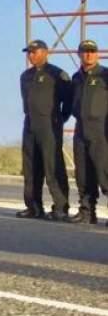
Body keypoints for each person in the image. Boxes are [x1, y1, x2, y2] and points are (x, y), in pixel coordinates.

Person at [17, 39, 73, 220]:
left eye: (35, 52)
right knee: (31, 167)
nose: (31, 55)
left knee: (52, 167)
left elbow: (69, 101)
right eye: (29, 52)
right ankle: (33, 207)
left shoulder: (57, 74)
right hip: (30, 124)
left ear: (45, 52)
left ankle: (60, 208)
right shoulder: (25, 76)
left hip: (49, 125)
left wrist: (60, 119)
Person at [68, 40, 108, 225]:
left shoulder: (104, 75)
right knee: (83, 173)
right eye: (85, 52)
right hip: (81, 129)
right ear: (79, 54)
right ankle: (87, 211)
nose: (88, 55)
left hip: (101, 130)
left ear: (97, 54)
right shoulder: (76, 78)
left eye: (92, 51)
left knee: (104, 171)